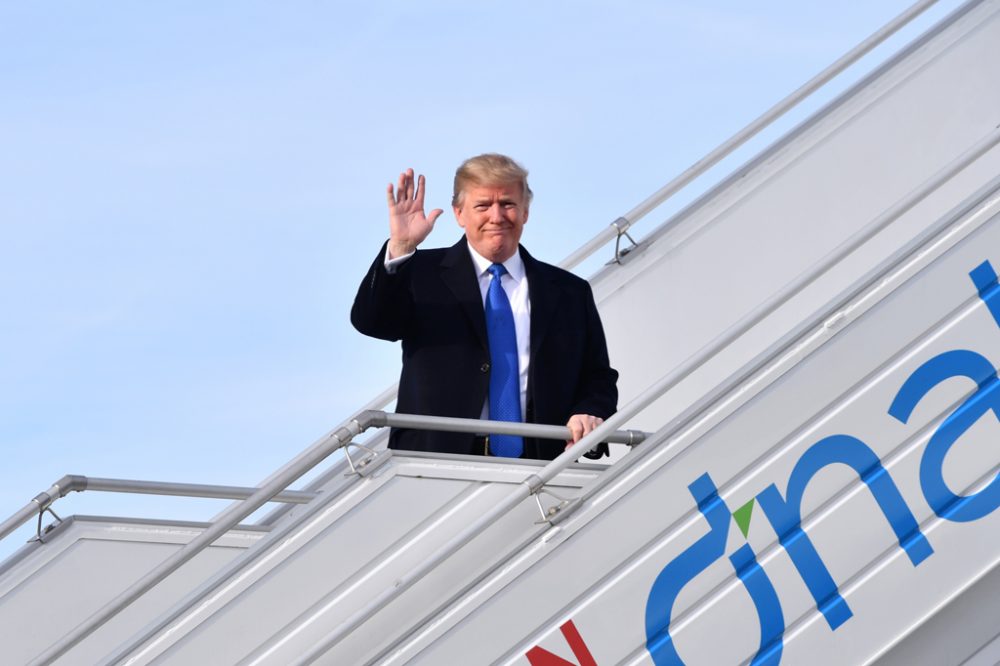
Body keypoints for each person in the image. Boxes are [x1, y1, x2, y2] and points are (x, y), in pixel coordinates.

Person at [351, 153, 618, 460]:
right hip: (436, 462)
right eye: (482, 205)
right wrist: (400, 248)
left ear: (525, 212)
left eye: (507, 204)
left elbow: (598, 376)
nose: (497, 216)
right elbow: (372, 323)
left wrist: (589, 411)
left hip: (541, 464)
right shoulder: (420, 273)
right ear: (459, 213)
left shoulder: (569, 291)